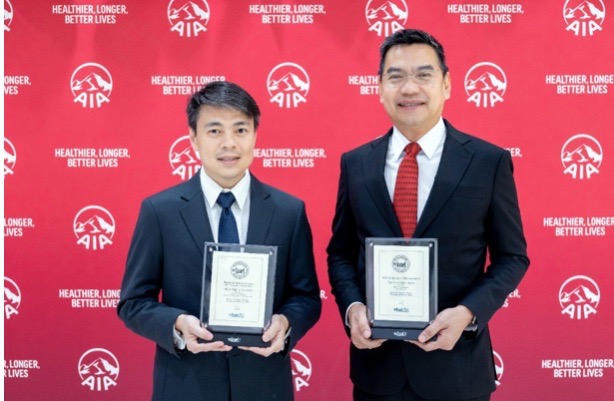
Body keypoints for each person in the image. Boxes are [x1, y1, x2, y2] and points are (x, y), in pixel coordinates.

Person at [327, 29, 529, 401]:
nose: (409, 88)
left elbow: (512, 257)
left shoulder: (488, 162)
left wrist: (468, 313)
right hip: (377, 371)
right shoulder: (356, 164)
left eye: (423, 75)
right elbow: (340, 253)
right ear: (379, 87)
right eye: (396, 76)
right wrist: (352, 307)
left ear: (446, 84)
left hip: (457, 370)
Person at [118, 81, 321, 401]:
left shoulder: (288, 212)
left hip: (264, 386)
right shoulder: (160, 212)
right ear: (193, 138)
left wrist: (286, 322)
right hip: (186, 386)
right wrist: (176, 324)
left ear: (255, 135)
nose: (229, 143)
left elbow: (306, 297)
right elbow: (133, 303)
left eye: (240, 130)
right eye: (215, 131)